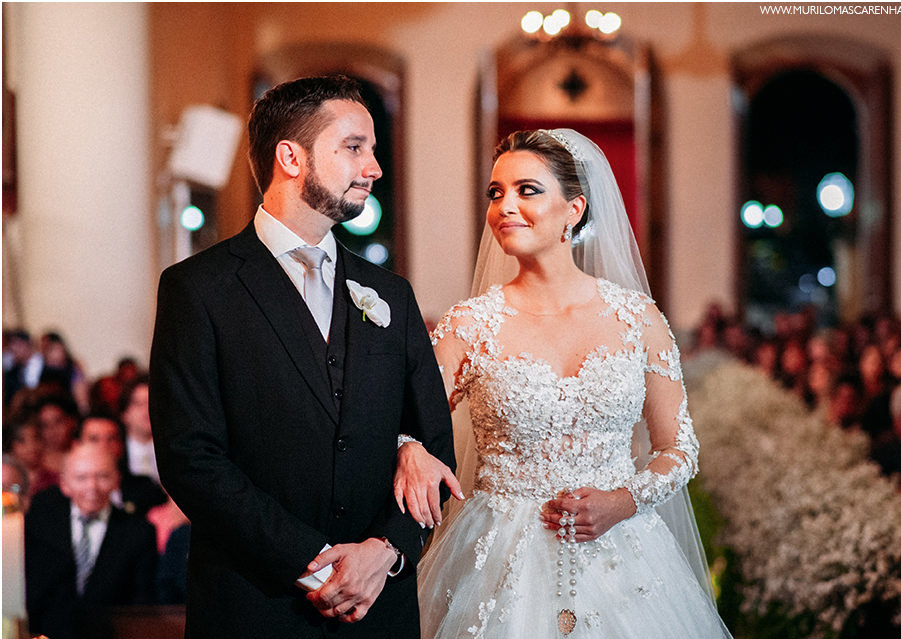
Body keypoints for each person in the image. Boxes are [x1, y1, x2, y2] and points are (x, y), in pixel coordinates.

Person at [149, 74, 456, 638]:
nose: (373, 168)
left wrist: (383, 552)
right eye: (353, 148)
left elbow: (434, 448)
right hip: (255, 605)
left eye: (373, 150)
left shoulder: (390, 295)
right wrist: (314, 562)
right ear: (290, 156)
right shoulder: (199, 289)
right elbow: (191, 458)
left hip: (376, 607)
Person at [397, 129, 731, 637]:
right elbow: (407, 431)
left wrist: (623, 500)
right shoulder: (469, 327)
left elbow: (678, 449)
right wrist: (408, 447)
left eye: (527, 190)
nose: (505, 206)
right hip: (498, 557)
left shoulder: (638, 319)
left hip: (623, 555)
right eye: (495, 193)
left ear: (574, 209)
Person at [24, 443, 157, 639]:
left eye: (102, 476)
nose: (92, 486)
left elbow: (141, 607)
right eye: (81, 477)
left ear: (116, 480)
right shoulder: (40, 523)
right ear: (64, 483)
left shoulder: (138, 532)